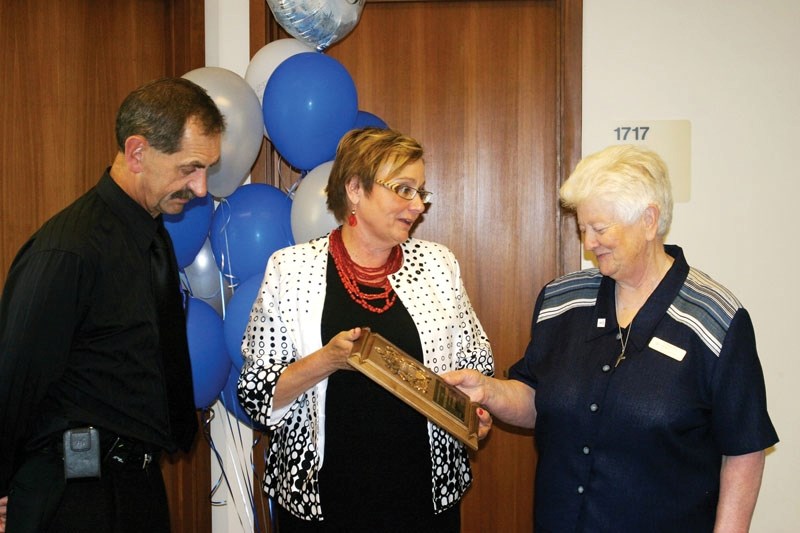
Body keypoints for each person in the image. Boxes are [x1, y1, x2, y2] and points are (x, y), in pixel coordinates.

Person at [444, 144, 779, 532]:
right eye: (582, 229)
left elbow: (745, 448)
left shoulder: (715, 319)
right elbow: (538, 399)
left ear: (649, 220)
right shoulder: (560, 300)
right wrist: (488, 391)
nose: (589, 244)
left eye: (600, 229)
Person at [237, 127, 494, 532]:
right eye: (403, 189)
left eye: (421, 191)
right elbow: (257, 394)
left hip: (423, 499)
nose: (417, 205)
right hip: (321, 501)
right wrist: (328, 360)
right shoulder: (291, 269)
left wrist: (474, 411)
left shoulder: (439, 265)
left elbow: (476, 362)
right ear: (355, 189)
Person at [0, 77, 224, 532]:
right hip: (71, 497)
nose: (201, 188)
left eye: (207, 170)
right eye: (190, 168)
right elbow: (13, 379)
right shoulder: (71, 250)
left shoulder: (150, 235)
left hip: (133, 484)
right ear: (138, 152)